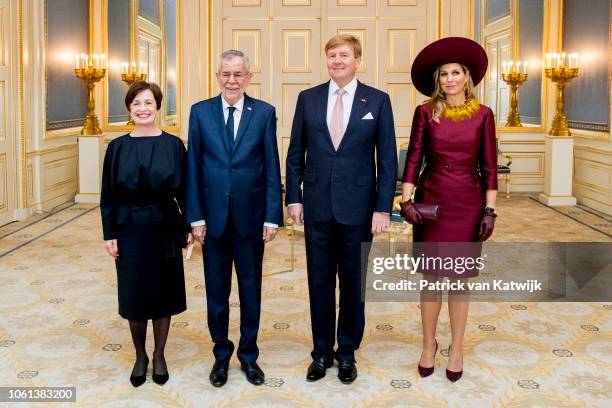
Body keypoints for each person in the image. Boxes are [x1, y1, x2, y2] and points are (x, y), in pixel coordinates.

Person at [286, 35, 397, 384]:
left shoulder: (377, 101)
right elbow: (295, 154)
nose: (336, 60)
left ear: (357, 60)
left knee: (353, 285)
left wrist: (382, 208)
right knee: (319, 283)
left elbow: (388, 159)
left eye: (344, 55)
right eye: (331, 54)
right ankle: (321, 353)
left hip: (359, 209)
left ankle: (347, 352)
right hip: (316, 206)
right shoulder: (308, 98)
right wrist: (294, 198)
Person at [400, 37, 498, 382]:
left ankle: (456, 348)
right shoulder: (425, 112)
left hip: (468, 203)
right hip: (433, 200)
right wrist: (406, 200)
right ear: (438, 80)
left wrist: (490, 211)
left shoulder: (484, 115)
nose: (450, 79)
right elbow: (414, 157)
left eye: (456, 72)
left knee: (459, 281)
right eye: (444, 74)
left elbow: (489, 166)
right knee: (430, 279)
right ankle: (428, 345)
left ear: (467, 77)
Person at [185, 50, 283, 387]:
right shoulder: (200, 112)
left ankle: (249, 356)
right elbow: (193, 168)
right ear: (217, 76)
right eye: (225, 74)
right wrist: (195, 217)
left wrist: (272, 217)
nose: (231, 80)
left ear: (249, 76)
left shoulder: (265, 113)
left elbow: (272, 167)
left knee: (251, 290)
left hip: (251, 220)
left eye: (238, 74)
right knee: (216, 292)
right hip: (211, 221)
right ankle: (221, 356)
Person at [100, 81, 192, 387]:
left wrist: (189, 226)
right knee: (135, 294)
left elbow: (185, 192)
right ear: (129, 108)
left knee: (163, 293)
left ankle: (160, 354)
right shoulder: (116, 148)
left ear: (157, 107)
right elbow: (108, 196)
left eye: (148, 103)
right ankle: (140, 355)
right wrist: (109, 233)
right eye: (137, 103)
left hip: (164, 225)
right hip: (128, 229)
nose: (142, 108)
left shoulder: (173, 145)